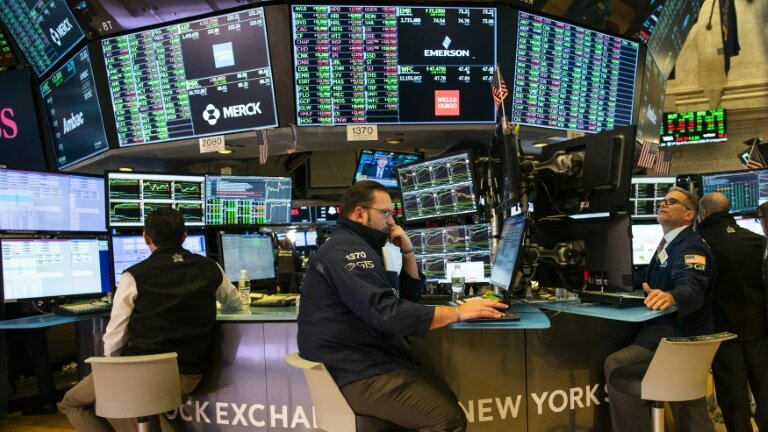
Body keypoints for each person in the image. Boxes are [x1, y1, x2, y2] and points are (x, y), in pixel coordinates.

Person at [297, 180, 507, 431]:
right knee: (447, 420)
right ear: (360, 213)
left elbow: (403, 300)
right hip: (354, 370)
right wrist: (459, 312)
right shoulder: (347, 250)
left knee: (445, 399)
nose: (391, 222)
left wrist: (408, 253)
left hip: (365, 362)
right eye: (385, 213)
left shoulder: (364, 246)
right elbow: (387, 313)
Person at [61, 207, 243, 431]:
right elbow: (235, 304)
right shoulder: (211, 268)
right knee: (143, 401)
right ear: (185, 235)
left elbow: (115, 336)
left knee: (72, 402)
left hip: (142, 372)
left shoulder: (133, 276)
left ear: (146, 237)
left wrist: (114, 372)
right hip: (189, 376)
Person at [604, 186, 716, 432]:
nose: (663, 204)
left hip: (678, 338)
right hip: (666, 334)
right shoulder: (670, 243)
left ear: (689, 214)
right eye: (663, 201)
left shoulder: (690, 247)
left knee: (617, 365)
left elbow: (692, 288)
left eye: (672, 201)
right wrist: (610, 280)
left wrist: (672, 296)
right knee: (688, 406)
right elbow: (647, 276)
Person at [698, 192, 767, 431]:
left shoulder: (700, 243)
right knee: (765, 395)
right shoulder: (757, 240)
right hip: (759, 330)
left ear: (703, 214)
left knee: (734, 402)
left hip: (724, 334)